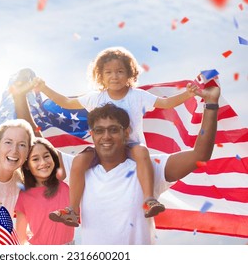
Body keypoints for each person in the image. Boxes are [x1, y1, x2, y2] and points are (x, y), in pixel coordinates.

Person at [34, 46, 200, 225]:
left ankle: (149, 200)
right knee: (78, 162)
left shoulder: (138, 96)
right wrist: (44, 88)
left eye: (120, 71)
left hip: (131, 145)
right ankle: (73, 210)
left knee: (143, 153)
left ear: (130, 74)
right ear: (101, 76)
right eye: (109, 72)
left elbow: (166, 103)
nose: (115, 76)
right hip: (103, 148)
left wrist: (188, 94)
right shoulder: (95, 98)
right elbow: (66, 102)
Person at [60, 84, 220, 244]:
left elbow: (200, 155)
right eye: (100, 131)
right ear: (92, 135)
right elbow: (37, 150)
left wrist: (211, 105)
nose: (106, 136)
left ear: (126, 132)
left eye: (114, 130)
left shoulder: (148, 168)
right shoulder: (79, 169)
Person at [14, 137, 75, 245]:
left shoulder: (66, 188)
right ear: (27, 165)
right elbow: (20, 236)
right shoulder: (24, 196)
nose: (43, 162)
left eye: (46, 156)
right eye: (35, 159)